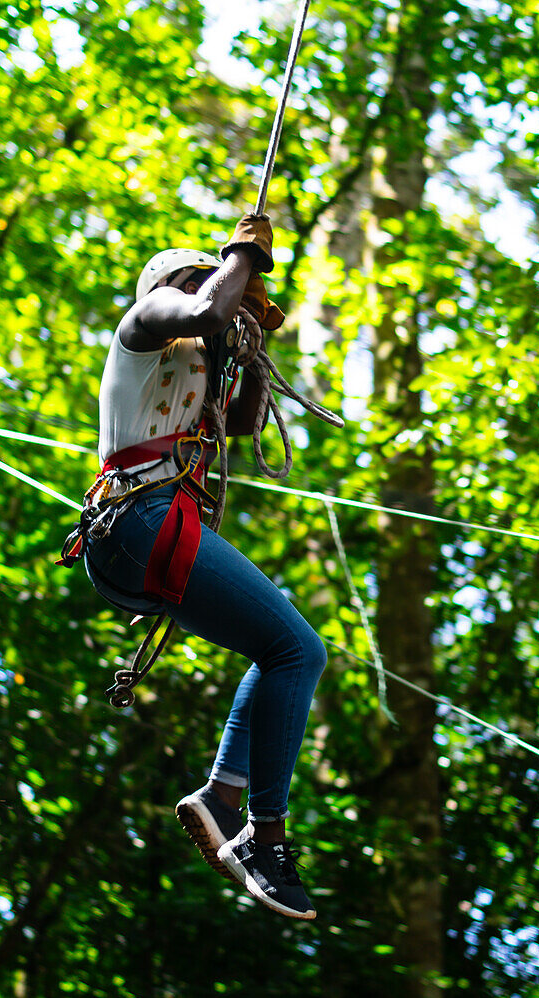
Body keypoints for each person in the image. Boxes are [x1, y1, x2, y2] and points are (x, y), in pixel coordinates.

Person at [83, 213, 326, 920]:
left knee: (283, 653)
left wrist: (245, 357)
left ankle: (223, 797)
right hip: (139, 520)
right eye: (229, 294)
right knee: (296, 650)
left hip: (148, 533)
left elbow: (247, 425)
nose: (236, 311)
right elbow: (202, 307)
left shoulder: (198, 369)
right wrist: (243, 253)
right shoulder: (150, 315)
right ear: (180, 279)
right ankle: (263, 834)